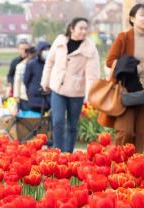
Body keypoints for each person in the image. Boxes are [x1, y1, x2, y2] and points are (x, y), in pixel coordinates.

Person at [98, 4, 144, 153]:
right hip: (126, 91)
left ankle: (136, 170)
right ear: (132, 18)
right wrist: (130, 64)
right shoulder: (124, 37)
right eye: (142, 15)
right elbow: (110, 60)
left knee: (141, 133)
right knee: (125, 131)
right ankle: (119, 167)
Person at [41, 17, 100, 153]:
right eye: (81, 28)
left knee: (72, 125)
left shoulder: (90, 48)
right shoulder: (60, 41)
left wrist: (89, 94)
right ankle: (57, 151)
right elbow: (49, 62)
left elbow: (93, 74)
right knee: (58, 121)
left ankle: (68, 154)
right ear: (71, 28)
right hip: (58, 89)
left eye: (86, 29)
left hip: (76, 91)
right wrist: (45, 82)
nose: (84, 31)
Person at [23, 43, 50, 113]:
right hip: (35, 98)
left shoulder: (52, 65)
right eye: (44, 50)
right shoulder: (31, 64)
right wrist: (32, 90)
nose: (46, 52)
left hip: (49, 98)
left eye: (48, 50)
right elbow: (26, 80)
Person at [13, 46, 35, 111]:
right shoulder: (20, 66)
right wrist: (16, 96)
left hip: (35, 97)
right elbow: (17, 82)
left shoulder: (37, 65)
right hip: (23, 96)